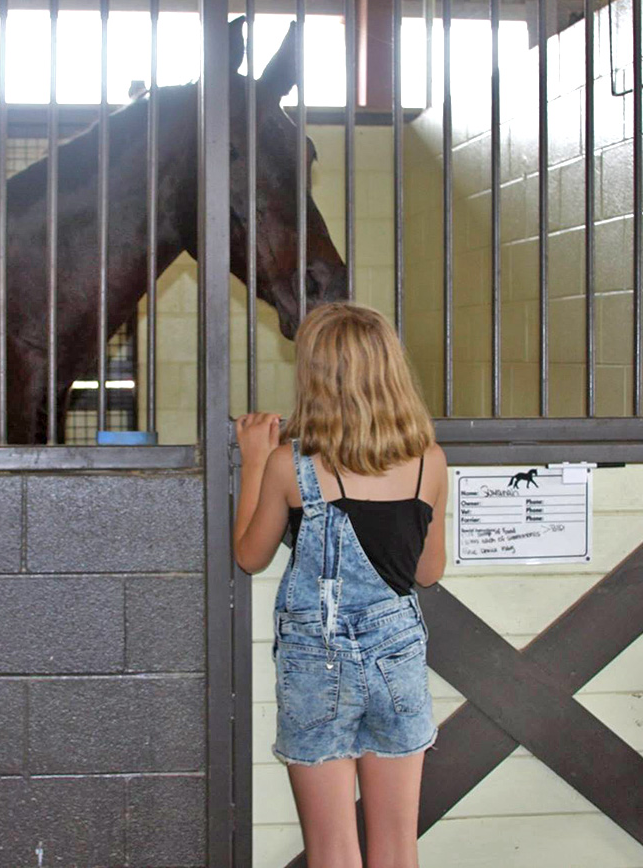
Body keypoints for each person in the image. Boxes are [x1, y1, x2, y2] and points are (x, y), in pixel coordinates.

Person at [232, 301, 448, 868]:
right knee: (398, 848)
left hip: (316, 662)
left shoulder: (290, 465)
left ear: (314, 378)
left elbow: (250, 556)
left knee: (331, 849)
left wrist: (254, 460)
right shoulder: (429, 460)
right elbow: (428, 572)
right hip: (397, 658)